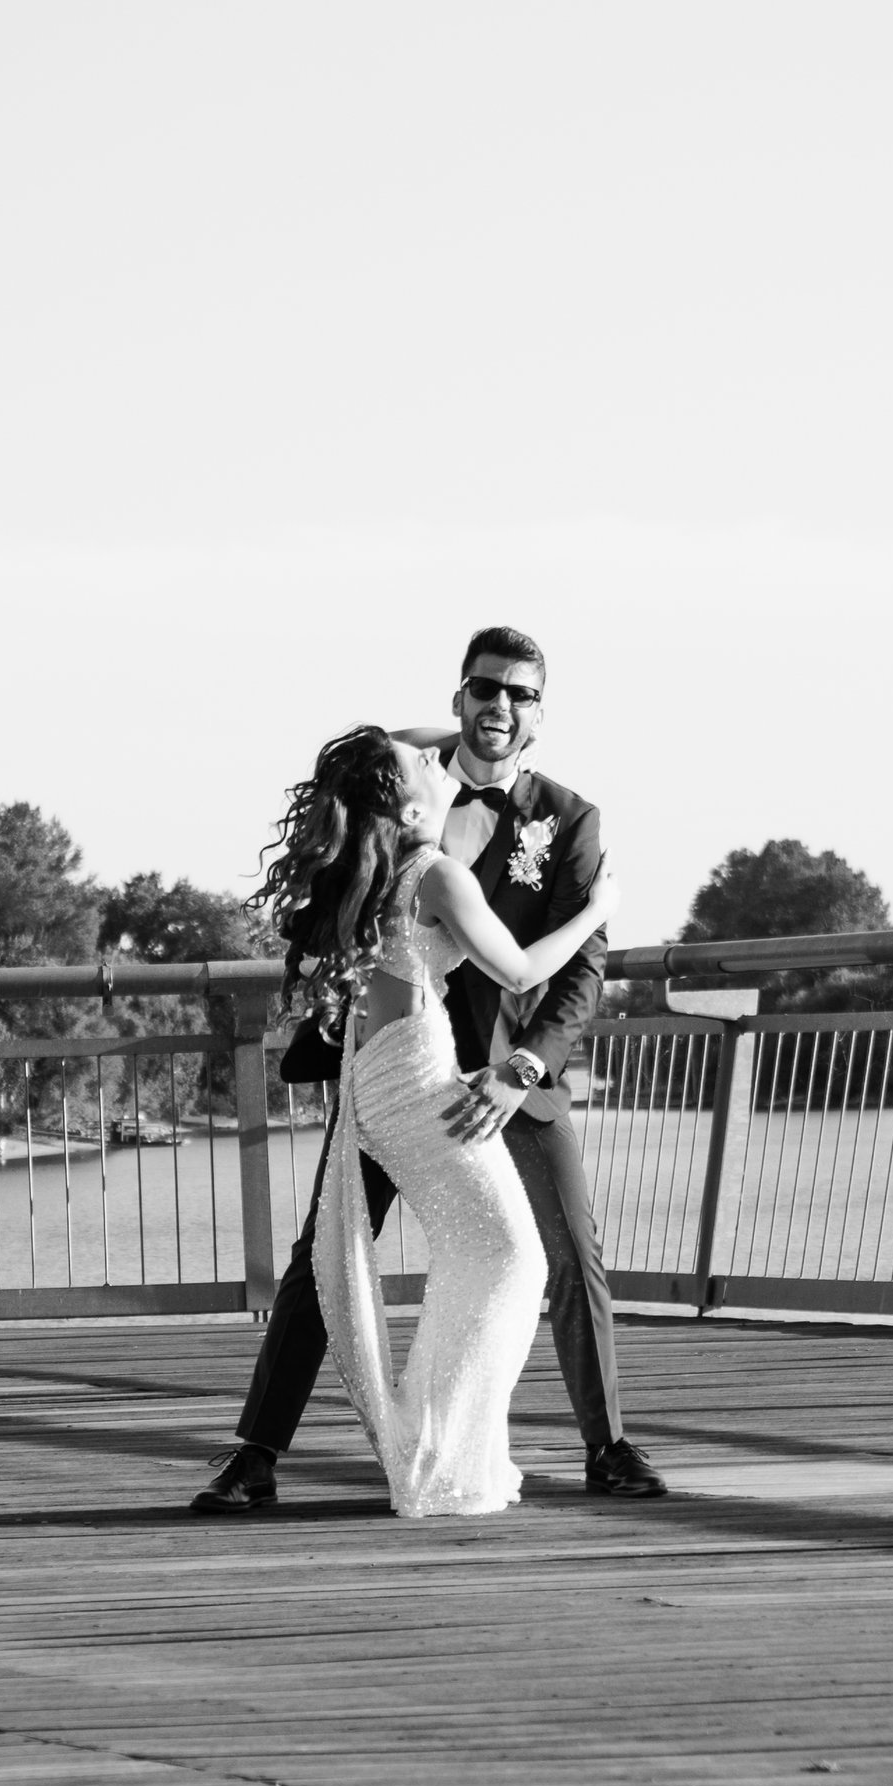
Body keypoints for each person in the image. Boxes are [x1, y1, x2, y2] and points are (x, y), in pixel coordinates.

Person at [192, 627, 670, 1509]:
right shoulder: (415, 787)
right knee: (321, 1256)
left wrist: (525, 1066)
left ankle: (607, 1446)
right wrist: (458, 738)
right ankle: (254, 1455)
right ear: (458, 697)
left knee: (568, 1252)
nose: (502, 706)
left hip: (507, 1073)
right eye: (485, 690)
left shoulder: (567, 819)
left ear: (542, 713)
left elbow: (581, 970)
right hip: (402, 1071)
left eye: (523, 696)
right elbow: (372, 762)